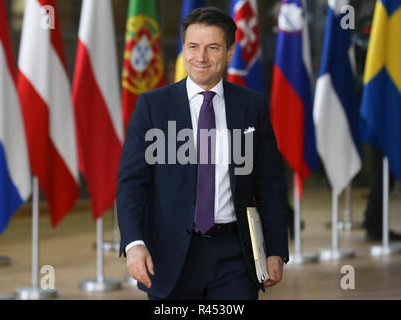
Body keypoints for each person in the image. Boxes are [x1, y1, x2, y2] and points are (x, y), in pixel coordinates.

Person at [117, 7, 289, 300]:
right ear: (183, 49)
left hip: (236, 256)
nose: (201, 57)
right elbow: (132, 182)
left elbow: (270, 183)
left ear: (230, 52)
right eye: (193, 47)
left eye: (212, 47)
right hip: (169, 256)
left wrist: (275, 250)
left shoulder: (252, 106)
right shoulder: (153, 107)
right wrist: (134, 243)